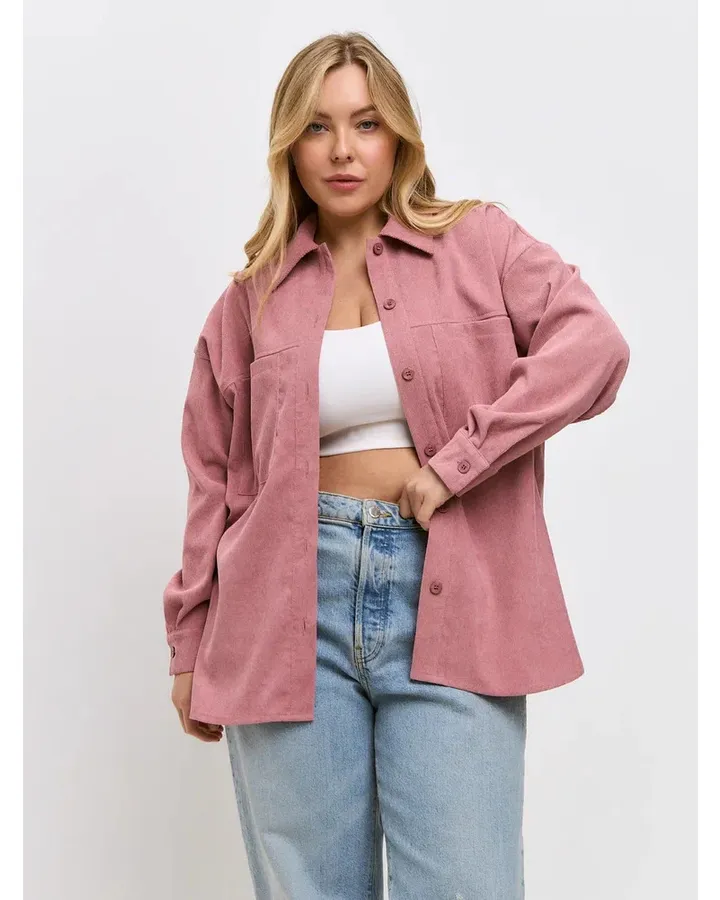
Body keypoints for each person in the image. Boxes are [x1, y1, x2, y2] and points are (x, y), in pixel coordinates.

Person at [162, 31, 630, 900]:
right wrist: (188, 642)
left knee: (465, 883)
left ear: (400, 136)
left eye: (366, 123)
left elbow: (592, 347)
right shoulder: (250, 299)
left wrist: (459, 462)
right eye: (318, 126)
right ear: (288, 146)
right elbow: (214, 477)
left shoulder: (479, 244)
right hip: (284, 610)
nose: (343, 150)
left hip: (453, 596)